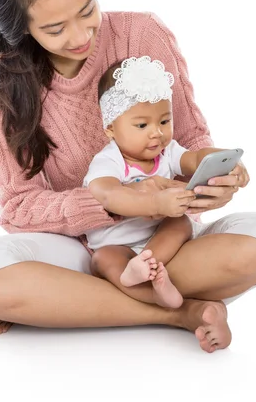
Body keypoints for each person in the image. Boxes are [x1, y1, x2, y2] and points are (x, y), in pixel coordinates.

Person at [0, 0, 256, 354]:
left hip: (165, 242)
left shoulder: (140, 34)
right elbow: (18, 207)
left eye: (87, 10)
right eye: (55, 29)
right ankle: (177, 312)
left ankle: (74, 303)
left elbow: (186, 140)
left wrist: (208, 186)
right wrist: (116, 201)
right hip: (78, 252)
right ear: (22, 28)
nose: (80, 37)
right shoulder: (4, 89)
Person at [84, 55, 230, 311]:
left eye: (164, 121)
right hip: (115, 242)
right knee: (102, 260)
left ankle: (147, 263)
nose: (157, 132)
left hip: (155, 239)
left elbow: (195, 158)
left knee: (180, 223)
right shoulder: (109, 160)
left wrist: (222, 160)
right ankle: (148, 287)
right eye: (142, 124)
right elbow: (106, 193)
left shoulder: (168, 151)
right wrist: (153, 202)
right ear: (110, 128)